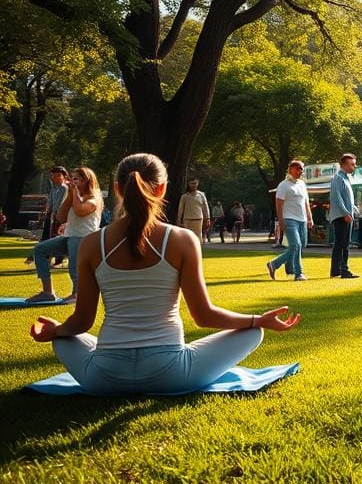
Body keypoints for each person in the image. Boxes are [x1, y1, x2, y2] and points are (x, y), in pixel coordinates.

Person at [29, 153, 300, 395]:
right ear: (162, 189)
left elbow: (82, 322)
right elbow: (204, 316)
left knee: (64, 339)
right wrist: (257, 320)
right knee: (253, 333)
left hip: (104, 376)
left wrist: (58, 331)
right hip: (171, 374)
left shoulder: (91, 243)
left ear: (117, 189)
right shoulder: (182, 239)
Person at [27, 167, 104, 303]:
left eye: (78, 179)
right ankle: (48, 292)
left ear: (88, 181)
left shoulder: (94, 198)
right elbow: (61, 217)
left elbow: (80, 211)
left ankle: (77, 294)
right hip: (70, 236)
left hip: (84, 237)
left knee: (74, 266)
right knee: (40, 249)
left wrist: (73, 193)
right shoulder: (73, 195)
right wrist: (70, 194)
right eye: (73, 178)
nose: (74, 182)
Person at [266, 160, 312, 281]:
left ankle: (280, 265)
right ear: (290, 169)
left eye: (301, 168)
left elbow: (306, 202)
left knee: (302, 245)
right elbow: (279, 204)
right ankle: (298, 273)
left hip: (302, 219)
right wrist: (281, 221)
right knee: (295, 245)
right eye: (297, 168)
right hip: (289, 219)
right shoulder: (283, 185)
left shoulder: (302, 184)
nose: (300, 171)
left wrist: (309, 218)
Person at [26, 165, 70, 266]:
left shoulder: (64, 188)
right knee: (48, 237)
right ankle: (45, 258)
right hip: (51, 216)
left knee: (56, 238)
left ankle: (58, 259)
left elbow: (59, 203)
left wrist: (54, 215)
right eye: (52, 175)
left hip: (59, 217)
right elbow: (50, 202)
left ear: (61, 176)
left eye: (55, 175)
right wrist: (46, 214)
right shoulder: (54, 189)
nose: (53, 178)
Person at [328, 154, 359, 278]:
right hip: (342, 216)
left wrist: (354, 209)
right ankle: (343, 269)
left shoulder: (345, 178)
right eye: (352, 164)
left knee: (342, 244)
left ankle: (336, 270)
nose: (354, 166)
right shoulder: (338, 178)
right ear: (344, 164)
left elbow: (345, 198)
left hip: (346, 215)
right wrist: (346, 212)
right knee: (342, 244)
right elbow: (337, 197)